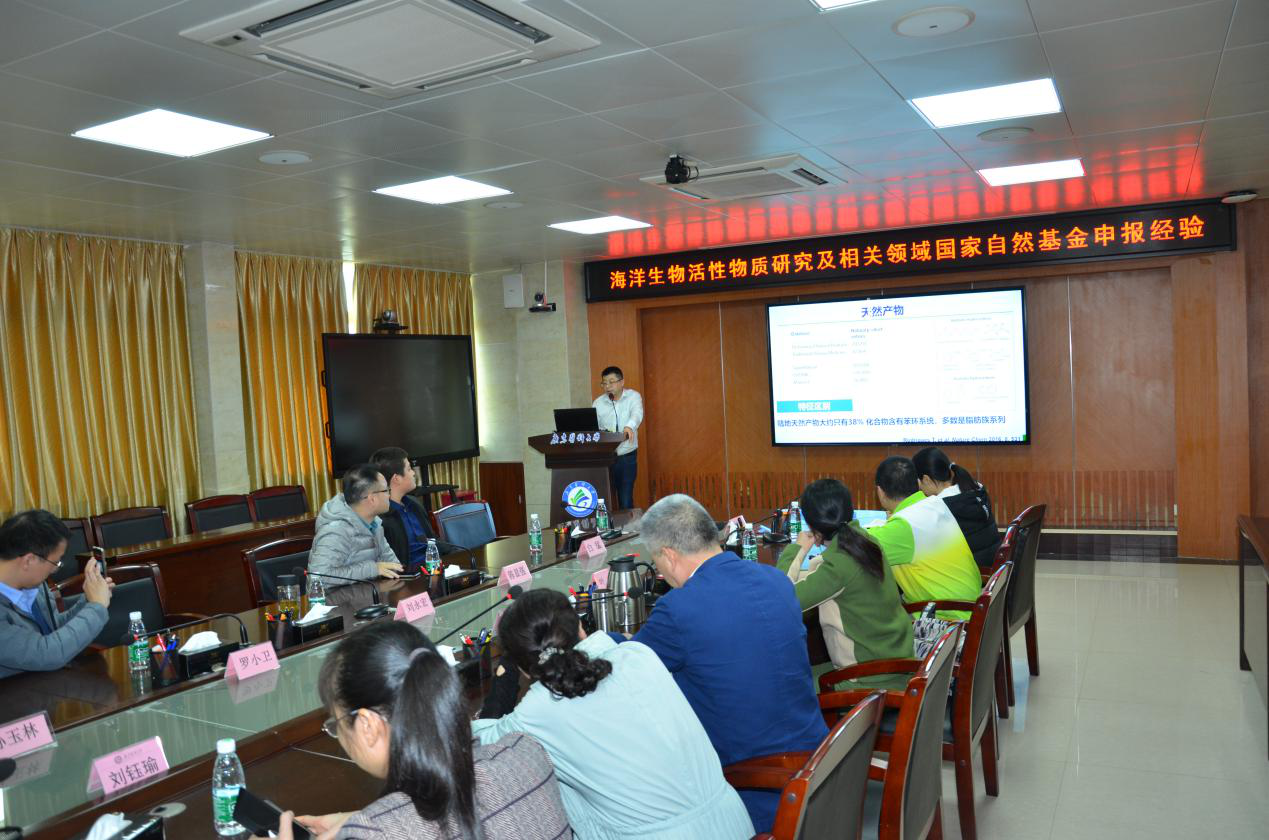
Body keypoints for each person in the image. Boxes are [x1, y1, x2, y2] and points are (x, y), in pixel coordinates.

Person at [473, 588, 752, 840]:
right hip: (734, 822)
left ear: (524, 667)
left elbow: (478, 743)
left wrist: (503, 681)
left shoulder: (540, 709)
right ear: (580, 626)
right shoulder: (638, 654)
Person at [626, 494, 827, 833]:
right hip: (820, 764)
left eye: (656, 561)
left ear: (669, 555)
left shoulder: (679, 608)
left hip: (756, 788)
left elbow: (629, 668)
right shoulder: (775, 580)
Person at [268, 621, 572, 840]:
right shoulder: (526, 753)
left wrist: (366, 825)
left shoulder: (374, 833)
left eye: (336, 723)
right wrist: (356, 821)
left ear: (368, 725)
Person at [776, 479, 914, 689]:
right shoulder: (865, 540)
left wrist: (797, 549)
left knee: (782, 689)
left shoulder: (839, 566)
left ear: (814, 527)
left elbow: (780, 598)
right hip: (895, 664)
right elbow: (830, 576)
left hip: (866, 679)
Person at [0, 510, 115, 679]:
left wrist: (89, 600)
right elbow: (46, 653)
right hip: (16, 693)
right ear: (28, 560)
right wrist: (96, 607)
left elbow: (55, 630)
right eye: (55, 562)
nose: (55, 569)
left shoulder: (34, 586)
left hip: (51, 685)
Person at [871, 456, 981, 620]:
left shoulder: (903, 526)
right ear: (917, 483)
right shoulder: (935, 504)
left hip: (947, 621)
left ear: (880, 491)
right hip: (972, 609)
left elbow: (853, 546)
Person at [310, 465, 403, 583]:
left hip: (369, 592)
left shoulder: (375, 524)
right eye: (386, 490)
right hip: (340, 595)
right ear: (372, 498)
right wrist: (372, 569)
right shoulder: (336, 531)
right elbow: (318, 577)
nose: (389, 495)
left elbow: (392, 564)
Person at [913, 447, 1002, 569]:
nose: (919, 488)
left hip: (972, 570)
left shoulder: (940, 506)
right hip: (994, 563)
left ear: (926, 479)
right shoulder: (975, 487)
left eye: (918, 482)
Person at [370, 447, 442, 572]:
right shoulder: (381, 517)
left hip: (434, 568)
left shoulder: (414, 503)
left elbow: (434, 542)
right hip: (408, 576)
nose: (413, 473)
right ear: (397, 478)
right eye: (409, 469)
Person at [591, 366, 642, 510]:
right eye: (604, 383)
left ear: (622, 382)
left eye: (611, 382)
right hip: (605, 457)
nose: (607, 386)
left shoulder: (633, 396)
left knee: (625, 499)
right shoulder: (598, 403)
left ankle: (628, 524)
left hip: (626, 456)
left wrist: (629, 426)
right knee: (605, 499)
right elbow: (594, 428)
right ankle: (607, 524)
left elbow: (637, 414)